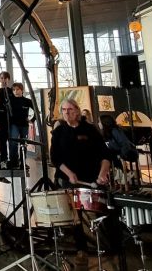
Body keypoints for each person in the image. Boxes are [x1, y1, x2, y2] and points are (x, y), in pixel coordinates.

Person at [51, 99, 111, 264]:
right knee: (75, 217)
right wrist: (69, 173)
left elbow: (105, 155)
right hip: (69, 180)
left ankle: (111, 246)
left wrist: (103, 173)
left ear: (77, 111)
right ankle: (81, 250)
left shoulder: (90, 130)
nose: (67, 113)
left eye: (70, 109)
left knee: (103, 212)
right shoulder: (59, 132)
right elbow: (55, 158)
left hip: (92, 179)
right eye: (63, 110)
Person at [7, 83, 33, 168]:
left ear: (22, 90)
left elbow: (36, 111)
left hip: (24, 125)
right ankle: (14, 162)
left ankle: (23, 162)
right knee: (13, 142)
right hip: (14, 124)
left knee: (23, 144)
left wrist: (32, 120)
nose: (16, 91)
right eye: (14, 90)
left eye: (17, 89)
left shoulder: (27, 101)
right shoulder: (10, 100)